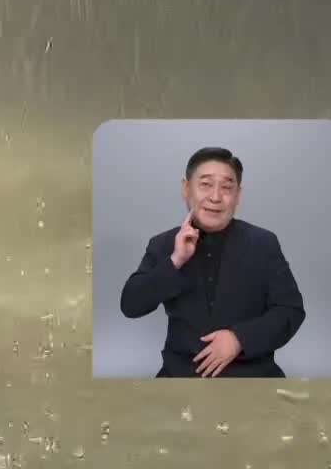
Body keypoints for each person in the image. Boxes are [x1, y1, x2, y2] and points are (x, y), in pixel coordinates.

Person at [118, 147, 306, 377]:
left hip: (251, 375)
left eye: (227, 187)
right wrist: (176, 260)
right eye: (205, 184)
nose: (216, 197)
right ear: (186, 189)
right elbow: (131, 305)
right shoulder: (163, 244)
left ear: (238, 195)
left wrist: (239, 339)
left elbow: (291, 310)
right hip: (181, 376)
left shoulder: (263, 243)